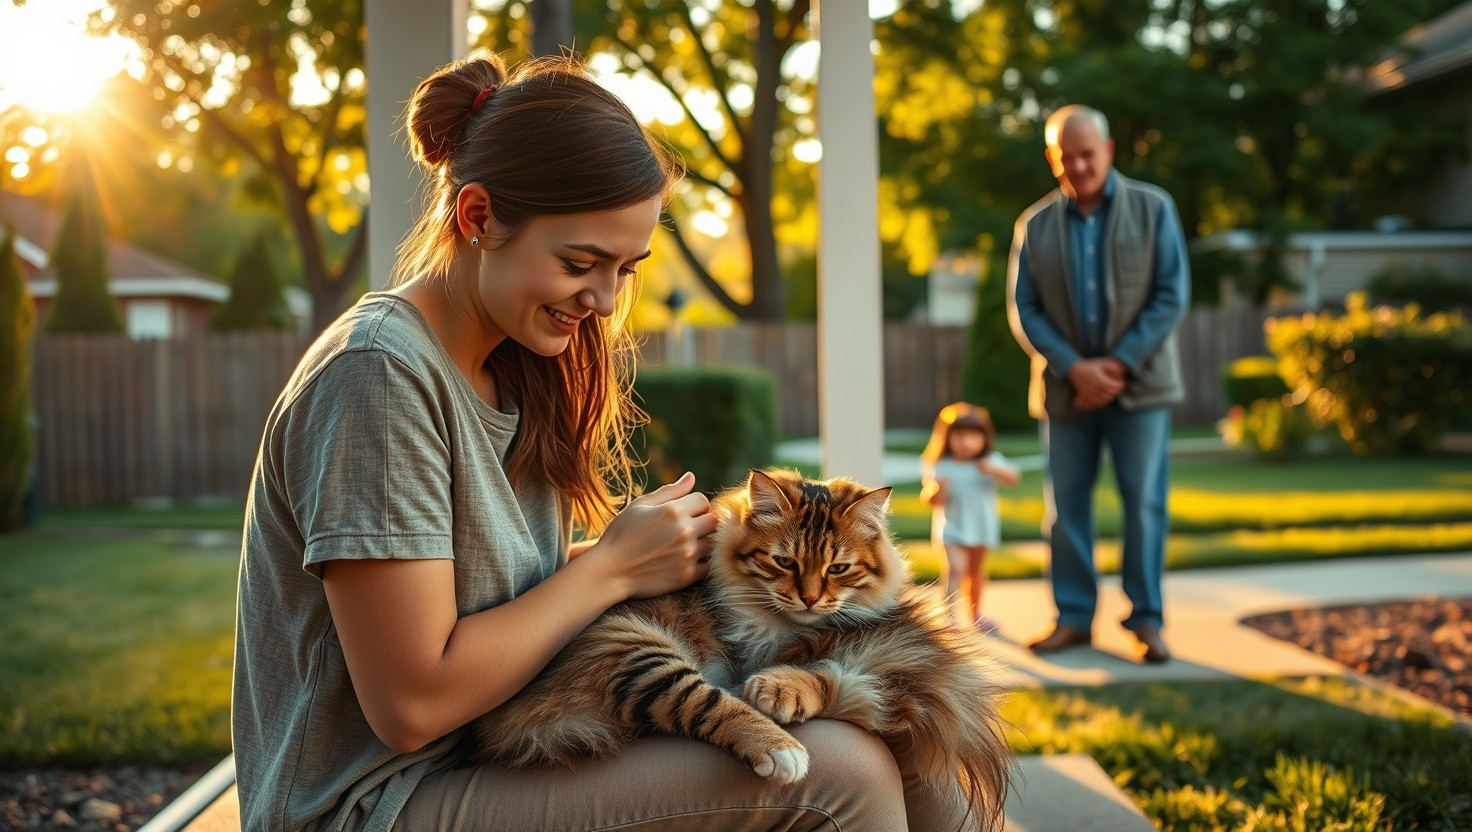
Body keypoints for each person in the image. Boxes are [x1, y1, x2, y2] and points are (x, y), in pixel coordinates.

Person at [232, 51, 978, 832]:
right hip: (374, 803)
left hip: (494, 750)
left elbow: (495, 597)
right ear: (478, 217)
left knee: (911, 744)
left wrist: (645, 558)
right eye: (580, 263)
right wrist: (611, 567)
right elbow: (414, 704)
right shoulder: (378, 378)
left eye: (627, 267)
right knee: (841, 777)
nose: (604, 299)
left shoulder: (513, 366)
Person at [1004, 105, 1189, 664]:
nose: (1079, 165)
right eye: (1067, 156)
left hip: (1142, 390)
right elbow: (1025, 309)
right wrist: (1075, 368)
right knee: (1065, 510)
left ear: (1108, 150)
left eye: (1089, 153)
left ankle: (1148, 620)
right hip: (1065, 392)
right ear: (1052, 158)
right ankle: (1074, 618)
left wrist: (1118, 364)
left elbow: (1170, 294)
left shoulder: (1154, 208)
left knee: (1145, 505)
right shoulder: (1034, 225)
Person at [919, 403, 1020, 634]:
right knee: (956, 567)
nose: (966, 443)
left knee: (975, 572)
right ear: (946, 437)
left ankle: (975, 614)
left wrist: (994, 470)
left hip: (981, 527)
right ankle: (949, 616)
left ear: (985, 437)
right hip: (952, 527)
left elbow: (1013, 478)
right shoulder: (942, 465)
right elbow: (931, 501)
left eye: (974, 436)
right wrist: (938, 489)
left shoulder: (991, 460)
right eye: (959, 436)